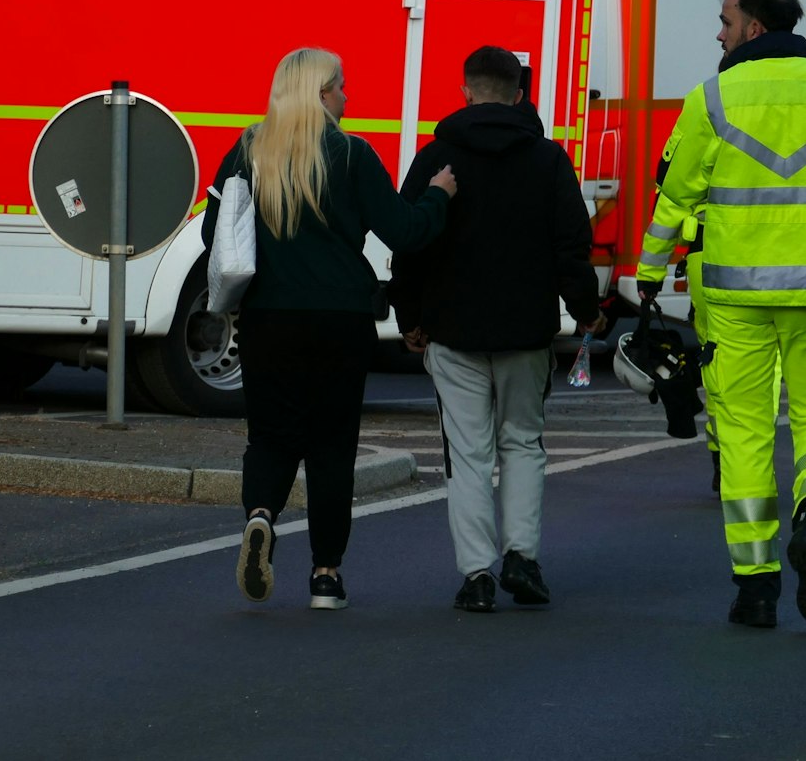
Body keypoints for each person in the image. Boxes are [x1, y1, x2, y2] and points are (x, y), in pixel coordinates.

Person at [638, 0, 806, 629]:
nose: (719, 33)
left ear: (754, 26)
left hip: (733, 299)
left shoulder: (712, 97)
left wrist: (646, 273)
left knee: (745, 435)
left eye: (726, 20)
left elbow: (676, 195)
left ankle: (755, 589)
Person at [202, 48, 455, 610]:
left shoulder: (247, 150)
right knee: (332, 446)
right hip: (342, 319)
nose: (348, 96)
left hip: (268, 318)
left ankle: (262, 515)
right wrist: (439, 193)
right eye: (341, 87)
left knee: (270, 435)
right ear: (321, 94)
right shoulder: (352, 155)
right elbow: (406, 231)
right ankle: (325, 575)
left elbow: (214, 238)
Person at [388, 47, 605, 613]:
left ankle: (476, 576)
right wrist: (585, 308)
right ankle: (523, 559)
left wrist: (408, 317)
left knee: (468, 454)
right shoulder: (548, 161)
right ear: (518, 93)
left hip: (451, 330)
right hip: (526, 333)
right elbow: (570, 248)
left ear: (465, 91)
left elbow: (410, 244)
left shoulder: (436, 157)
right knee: (523, 444)